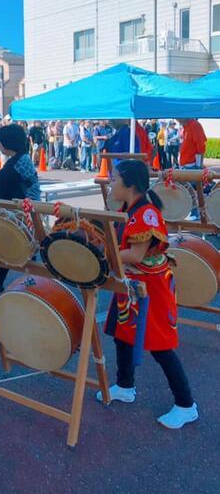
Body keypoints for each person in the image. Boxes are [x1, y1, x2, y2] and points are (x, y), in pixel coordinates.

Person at [99, 159, 197, 429]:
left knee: (161, 347)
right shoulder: (128, 208)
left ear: (129, 184)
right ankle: (125, 386)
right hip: (132, 284)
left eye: (114, 178)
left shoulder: (146, 213)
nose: (110, 182)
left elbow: (135, 253)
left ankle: (186, 405)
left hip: (150, 289)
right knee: (123, 336)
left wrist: (103, 258)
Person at [0, 124, 41, 296]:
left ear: (7, 143)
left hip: (26, 210)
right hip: (26, 208)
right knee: (13, 245)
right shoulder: (19, 158)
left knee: (23, 248)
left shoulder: (18, 163)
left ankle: (35, 285)